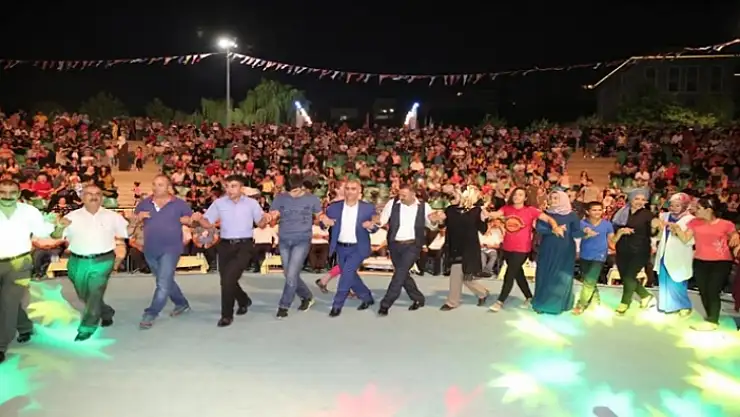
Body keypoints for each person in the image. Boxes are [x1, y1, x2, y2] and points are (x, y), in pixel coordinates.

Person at [54, 184, 128, 340]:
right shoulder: (71, 217)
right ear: (82, 197)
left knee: (94, 292)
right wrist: (59, 227)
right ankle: (106, 312)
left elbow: (124, 236)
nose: (94, 197)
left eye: (97, 194)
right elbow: (56, 236)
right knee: (85, 295)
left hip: (103, 261)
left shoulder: (113, 217)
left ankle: (87, 327)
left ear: (102, 197)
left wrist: (120, 255)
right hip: (76, 261)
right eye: (89, 194)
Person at [199, 175, 271, 327]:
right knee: (226, 280)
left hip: (244, 246)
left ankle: (226, 315)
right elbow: (207, 221)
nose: (229, 190)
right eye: (227, 186)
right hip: (224, 245)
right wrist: (201, 221)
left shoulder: (252, 204)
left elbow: (261, 224)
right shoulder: (219, 203)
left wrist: (267, 218)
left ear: (241, 188)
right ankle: (243, 300)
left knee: (228, 280)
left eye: (233, 186)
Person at [0, 179, 56, 363]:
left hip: (20, 264)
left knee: (8, 304)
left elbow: (44, 231)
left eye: (12, 192)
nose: (7, 196)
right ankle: (24, 326)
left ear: (18, 194)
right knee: (8, 303)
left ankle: (1, 346)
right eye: (3, 192)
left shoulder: (29, 212)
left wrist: (57, 226)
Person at [668, 195, 740, 331]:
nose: (695, 210)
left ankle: (713, 320)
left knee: (712, 290)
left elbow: (734, 236)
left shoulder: (726, 224)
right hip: (700, 261)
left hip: (721, 262)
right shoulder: (694, 223)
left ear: (709, 210)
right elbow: (685, 239)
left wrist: (735, 235)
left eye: (699, 208)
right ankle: (710, 317)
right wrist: (677, 230)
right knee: (703, 291)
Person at [488, 187, 564, 312]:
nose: (517, 197)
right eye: (515, 194)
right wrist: (486, 212)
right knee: (518, 273)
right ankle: (529, 297)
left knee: (509, 274)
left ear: (525, 198)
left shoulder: (531, 210)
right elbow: (496, 214)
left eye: (520, 195)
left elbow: (548, 219)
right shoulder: (506, 208)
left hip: (522, 249)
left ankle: (500, 301)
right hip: (507, 247)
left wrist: (555, 226)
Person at [134, 175, 195, 329]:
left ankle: (151, 313)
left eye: (160, 184)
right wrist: (137, 218)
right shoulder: (144, 204)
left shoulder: (179, 204)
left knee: (162, 283)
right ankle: (181, 303)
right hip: (150, 249)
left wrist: (190, 220)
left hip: (171, 249)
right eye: (154, 184)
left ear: (168, 187)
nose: (156, 187)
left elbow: (192, 221)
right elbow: (133, 223)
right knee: (165, 280)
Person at [376, 184, 444, 316]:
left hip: (413, 246)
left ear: (413, 194)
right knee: (403, 275)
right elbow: (382, 221)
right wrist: (375, 221)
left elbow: (432, 225)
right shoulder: (392, 203)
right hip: (394, 245)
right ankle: (418, 298)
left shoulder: (424, 207)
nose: (401, 197)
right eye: (400, 195)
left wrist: (434, 221)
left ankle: (385, 304)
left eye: (404, 195)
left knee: (399, 274)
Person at [320, 180, 377, 317]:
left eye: (353, 189)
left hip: (358, 248)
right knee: (351, 275)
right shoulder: (333, 208)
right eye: (347, 188)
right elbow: (324, 224)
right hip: (341, 248)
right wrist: (325, 223)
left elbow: (375, 227)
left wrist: (371, 226)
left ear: (359, 191)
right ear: (343, 190)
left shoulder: (368, 208)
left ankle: (337, 305)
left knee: (346, 275)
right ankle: (367, 297)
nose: (350, 191)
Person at [268, 174, 320, 319]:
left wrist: (324, 219)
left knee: (291, 275)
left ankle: (283, 306)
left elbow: (319, 215)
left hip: (302, 240)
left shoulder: (312, 199)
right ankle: (307, 296)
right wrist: (270, 216)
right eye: (290, 192)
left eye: (296, 191)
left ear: (302, 187)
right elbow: (273, 214)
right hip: (284, 240)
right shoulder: (280, 198)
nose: (292, 195)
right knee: (289, 274)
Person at [531, 190, 583, 315]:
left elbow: (576, 233)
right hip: (547, 248)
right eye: (551, 198)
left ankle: (558, 305)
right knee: (544, 274)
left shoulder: (572, 215)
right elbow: (540, 228)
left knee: (562, 277)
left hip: (565, 250)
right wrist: (553, 230)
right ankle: (541, 303)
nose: (552, 200)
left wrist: (585, 232)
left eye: (556, 198)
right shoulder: (545, 214)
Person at [439, 186, 491, 311]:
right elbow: (442, 225)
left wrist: (484, 220)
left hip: (469, 247)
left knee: (462, 275)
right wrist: (439, 220)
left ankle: (453, 302)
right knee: (461, 276)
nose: (454, 194)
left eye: (457, 192)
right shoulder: (450, 210)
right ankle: (482, 293)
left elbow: (483, 230)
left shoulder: (476, 211)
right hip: (454, 247)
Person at [610, 188, 657, 316]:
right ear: (631, 199)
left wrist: (656, 226)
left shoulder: (647, 214)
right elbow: (613, 230)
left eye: (643, 199)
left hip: (640, 251)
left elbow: (653, 231)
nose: (640, 202)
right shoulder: (620, 213)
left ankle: (625, 302)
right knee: (625, 276)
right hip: (622, 249)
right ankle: (646, 296)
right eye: (637, 199)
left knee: (629, 277)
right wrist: (621, 232)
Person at [653, 193, 694, 318]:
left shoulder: (691, 219)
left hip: (680, 254)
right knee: (664, 280)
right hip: (663, 253)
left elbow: (689, 240)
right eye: (671, 205)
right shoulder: (664, 216)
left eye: (677, 205)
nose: (673, 208)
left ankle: (684, 306)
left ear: (684, 206)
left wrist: (677, 231)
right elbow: (656, 232)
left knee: (677, 281)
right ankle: (667, 306)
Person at [573, 201, 614, 315]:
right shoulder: (582, 223)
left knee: (590, 280)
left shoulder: (607, 224)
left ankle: (581, 304)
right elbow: (577, 236)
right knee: (587, 279)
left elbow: (612, 240)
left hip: (600, 255)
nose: (597, 212)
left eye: (600, 210)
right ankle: (595, 299)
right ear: (588, 211)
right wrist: (586, 234)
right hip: (585, 254)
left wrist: (620, 233)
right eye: (594, 210)